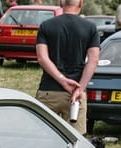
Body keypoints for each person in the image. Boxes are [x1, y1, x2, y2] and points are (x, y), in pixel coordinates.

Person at [35, 0, 99, 134]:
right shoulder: (90, 28)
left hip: (49, 91)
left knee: (43, 136)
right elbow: (93, 60)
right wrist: (80, 88)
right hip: (76, 94)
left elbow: (42, 58)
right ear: (81, 4)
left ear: (60, 3)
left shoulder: (46, 25)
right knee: (76, 140)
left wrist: (62, 80)